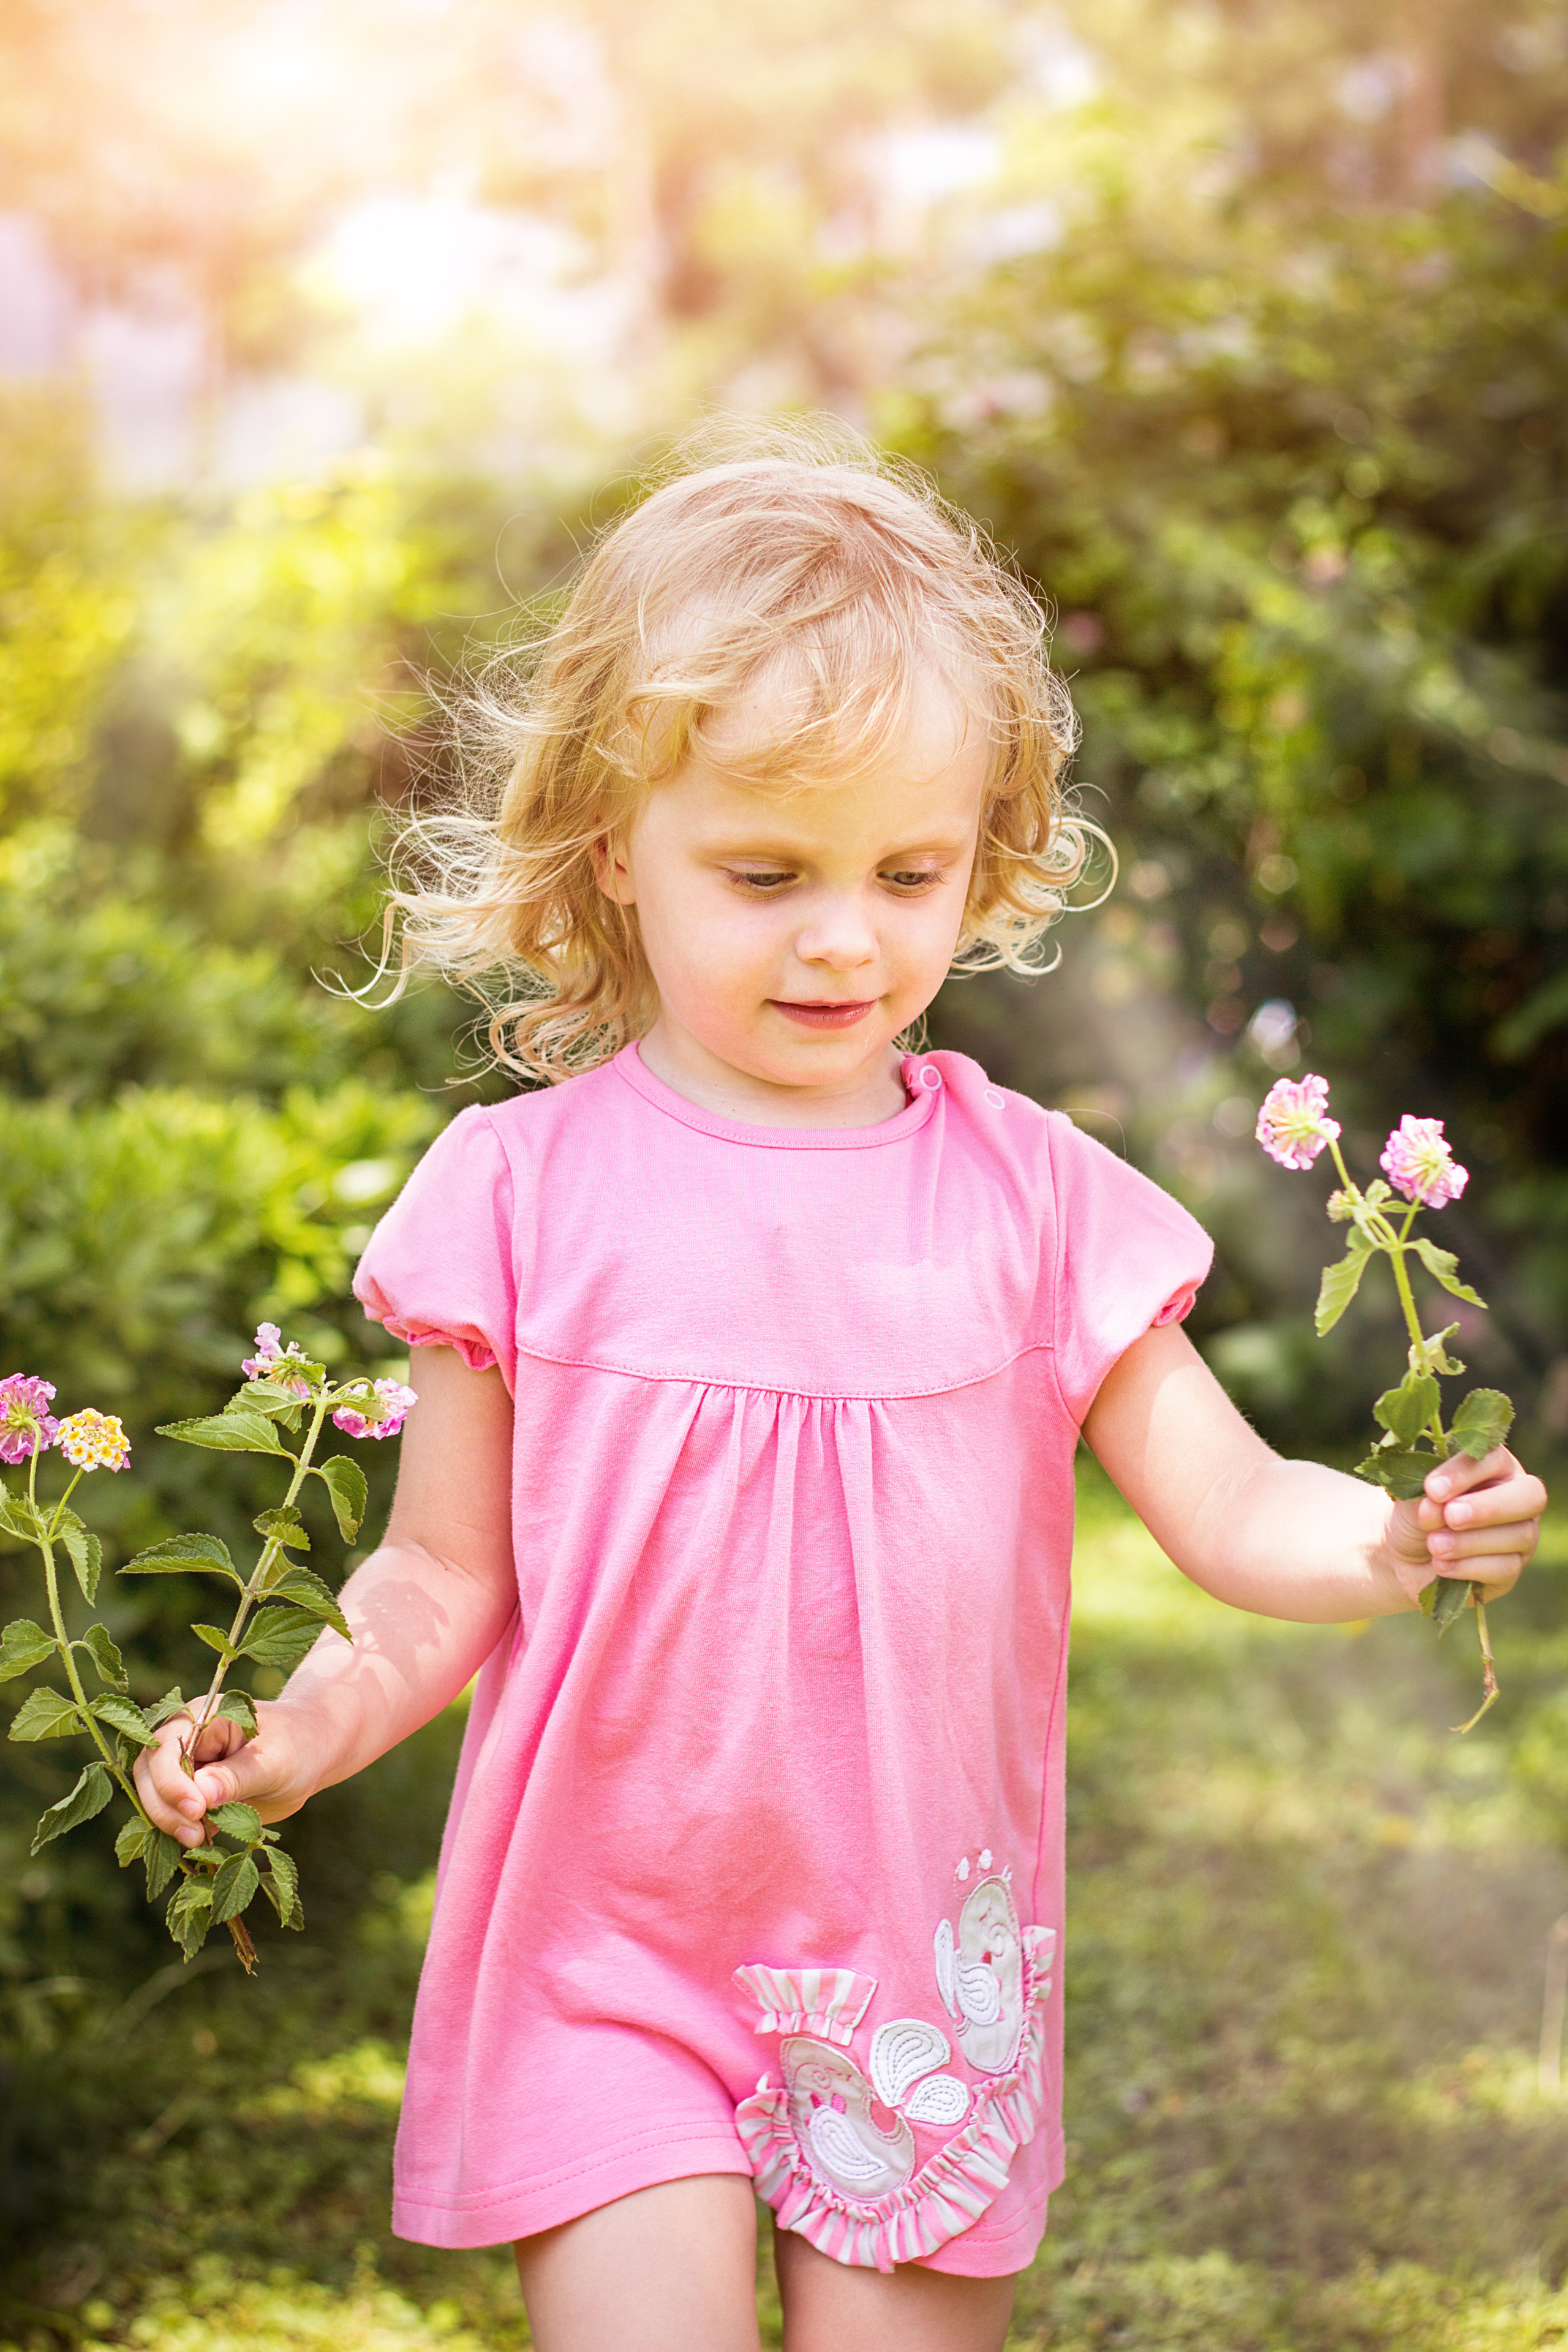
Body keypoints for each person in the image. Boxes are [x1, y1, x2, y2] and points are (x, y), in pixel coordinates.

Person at [134, 435, 1547, 2352]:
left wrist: (1386, 1536)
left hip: (909, 1957)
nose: (847, 937)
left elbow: (1226, 1506)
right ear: (610, 847)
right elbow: (435, 1579)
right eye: (767, 872)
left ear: (988, 852)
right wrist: (303, 1729)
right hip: (601, 1946)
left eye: (910, 872)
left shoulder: (1033, 1194)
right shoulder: (521, 1195)